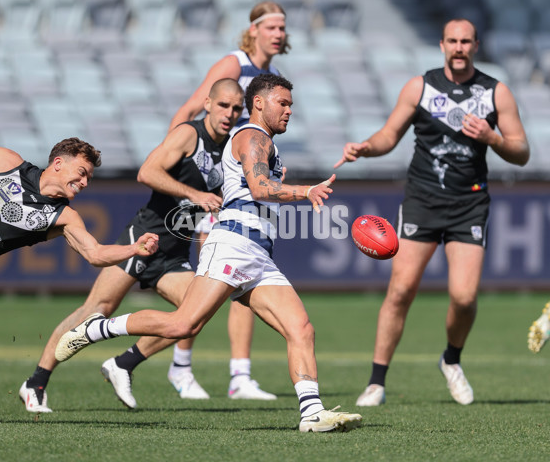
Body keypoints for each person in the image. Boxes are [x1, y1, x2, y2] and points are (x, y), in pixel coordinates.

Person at [55, 74, 363, 433]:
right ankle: (99, 328)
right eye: (283, 103)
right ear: (259, 103)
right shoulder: (252, 136)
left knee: (301, 328)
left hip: (258, 254)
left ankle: (312, 414)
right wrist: (304, 191)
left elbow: (260, 182)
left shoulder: (262, 143)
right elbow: (261, 189)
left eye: (291, 104)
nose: (289, 111)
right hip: (235, 242)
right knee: (183, 324)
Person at [19, 79, 274, 413]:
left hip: (174, 252)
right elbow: (147, 172)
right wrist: (193, 194)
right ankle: (36, 382)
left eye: (236, 108)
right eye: (223, 105)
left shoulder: (231, 145)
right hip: (144, 237)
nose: (229, 113)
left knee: (193, 314)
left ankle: (124, 362)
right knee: (96, 309)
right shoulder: (189, 135)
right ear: (208, 104)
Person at [334, 18, 530, 406]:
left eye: (466, 41)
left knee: (463, 297)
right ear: (441, 44)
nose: (459, 47)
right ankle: (376, 381)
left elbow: (522, 152)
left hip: (469, 204)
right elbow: (389, 136)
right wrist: (367, 148)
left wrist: (492, 138)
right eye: (452, 41)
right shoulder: (420, 87)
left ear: (476, 45)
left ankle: (451, 360)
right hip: (423, 199)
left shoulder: (495, 93)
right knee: (401, 289)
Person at [168, 0, 289, 398]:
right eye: (271, 26)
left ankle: (239, 375)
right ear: (253, 30)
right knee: (211, 282)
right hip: (221, 184)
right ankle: (181, 366)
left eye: (282, 27)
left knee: (243, 276)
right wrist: (179, 163)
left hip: (238, 184)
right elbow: (189, 110)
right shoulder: (234, 65)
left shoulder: (270, 79)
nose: (279, 33)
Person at [0, 133, 159, 293]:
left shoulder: (64, 217)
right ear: (58, 163)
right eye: (82, 173)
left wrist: (133, 249)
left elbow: (95, 254)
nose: (85, 183)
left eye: (88, 178)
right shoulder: (10, 164)